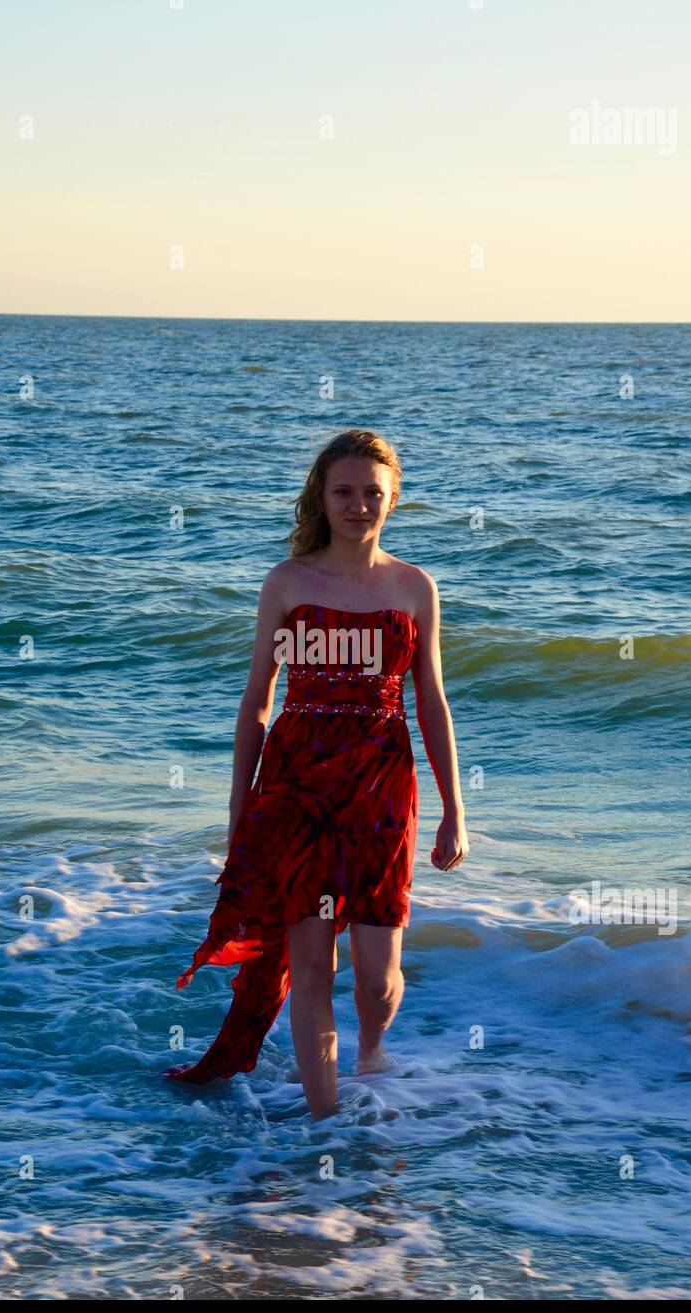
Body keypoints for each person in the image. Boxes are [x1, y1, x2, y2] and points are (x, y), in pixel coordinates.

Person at [166, 429, 468, 1119]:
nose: (359, 505)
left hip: (383, 783)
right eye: (345, 492)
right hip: (297, 785)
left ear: (392, 499)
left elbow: (432, 701)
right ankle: (324, 1127)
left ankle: (372, 1050)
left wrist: (456, 810)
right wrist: (240, 807)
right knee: (310, 965)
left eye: (372, 493)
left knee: (376, 976)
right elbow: (256, 704)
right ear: (322, 499)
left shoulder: (415, 587)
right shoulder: (288, 583)